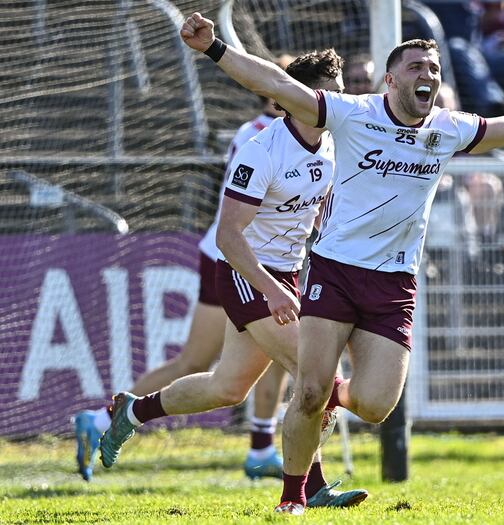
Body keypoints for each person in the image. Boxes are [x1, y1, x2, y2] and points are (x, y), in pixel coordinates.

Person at [178, 12, 504, 515]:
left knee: (374, 404)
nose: (427, 74)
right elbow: (278, 82)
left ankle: (318, 410)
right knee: (309, 390)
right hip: (334, 271)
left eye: (433, 67)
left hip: (394, 282)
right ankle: (292, 498)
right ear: (391, 79)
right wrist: (214, 49)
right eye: (414, 66)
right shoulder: (351, 113)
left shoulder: (447, 128)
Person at [98, 49, 368, 509]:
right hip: (247, 274)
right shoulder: (261, 150)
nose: (336, 104)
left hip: (285, 273)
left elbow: (313, 206)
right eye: (327, 95)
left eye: (339, 95)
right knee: (315, 377)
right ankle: (302, 491)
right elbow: (227, 237)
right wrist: (270, 288)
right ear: (293, 100)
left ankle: (133, 409)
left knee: (227, 387)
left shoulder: (330, 142)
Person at [72, 96, 288, 483]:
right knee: (195, 362)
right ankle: (104, 417)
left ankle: (262, 448)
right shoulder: (256, 134)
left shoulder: (311, 136)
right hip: (235, 259)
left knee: (276, 351)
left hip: (274, 261)